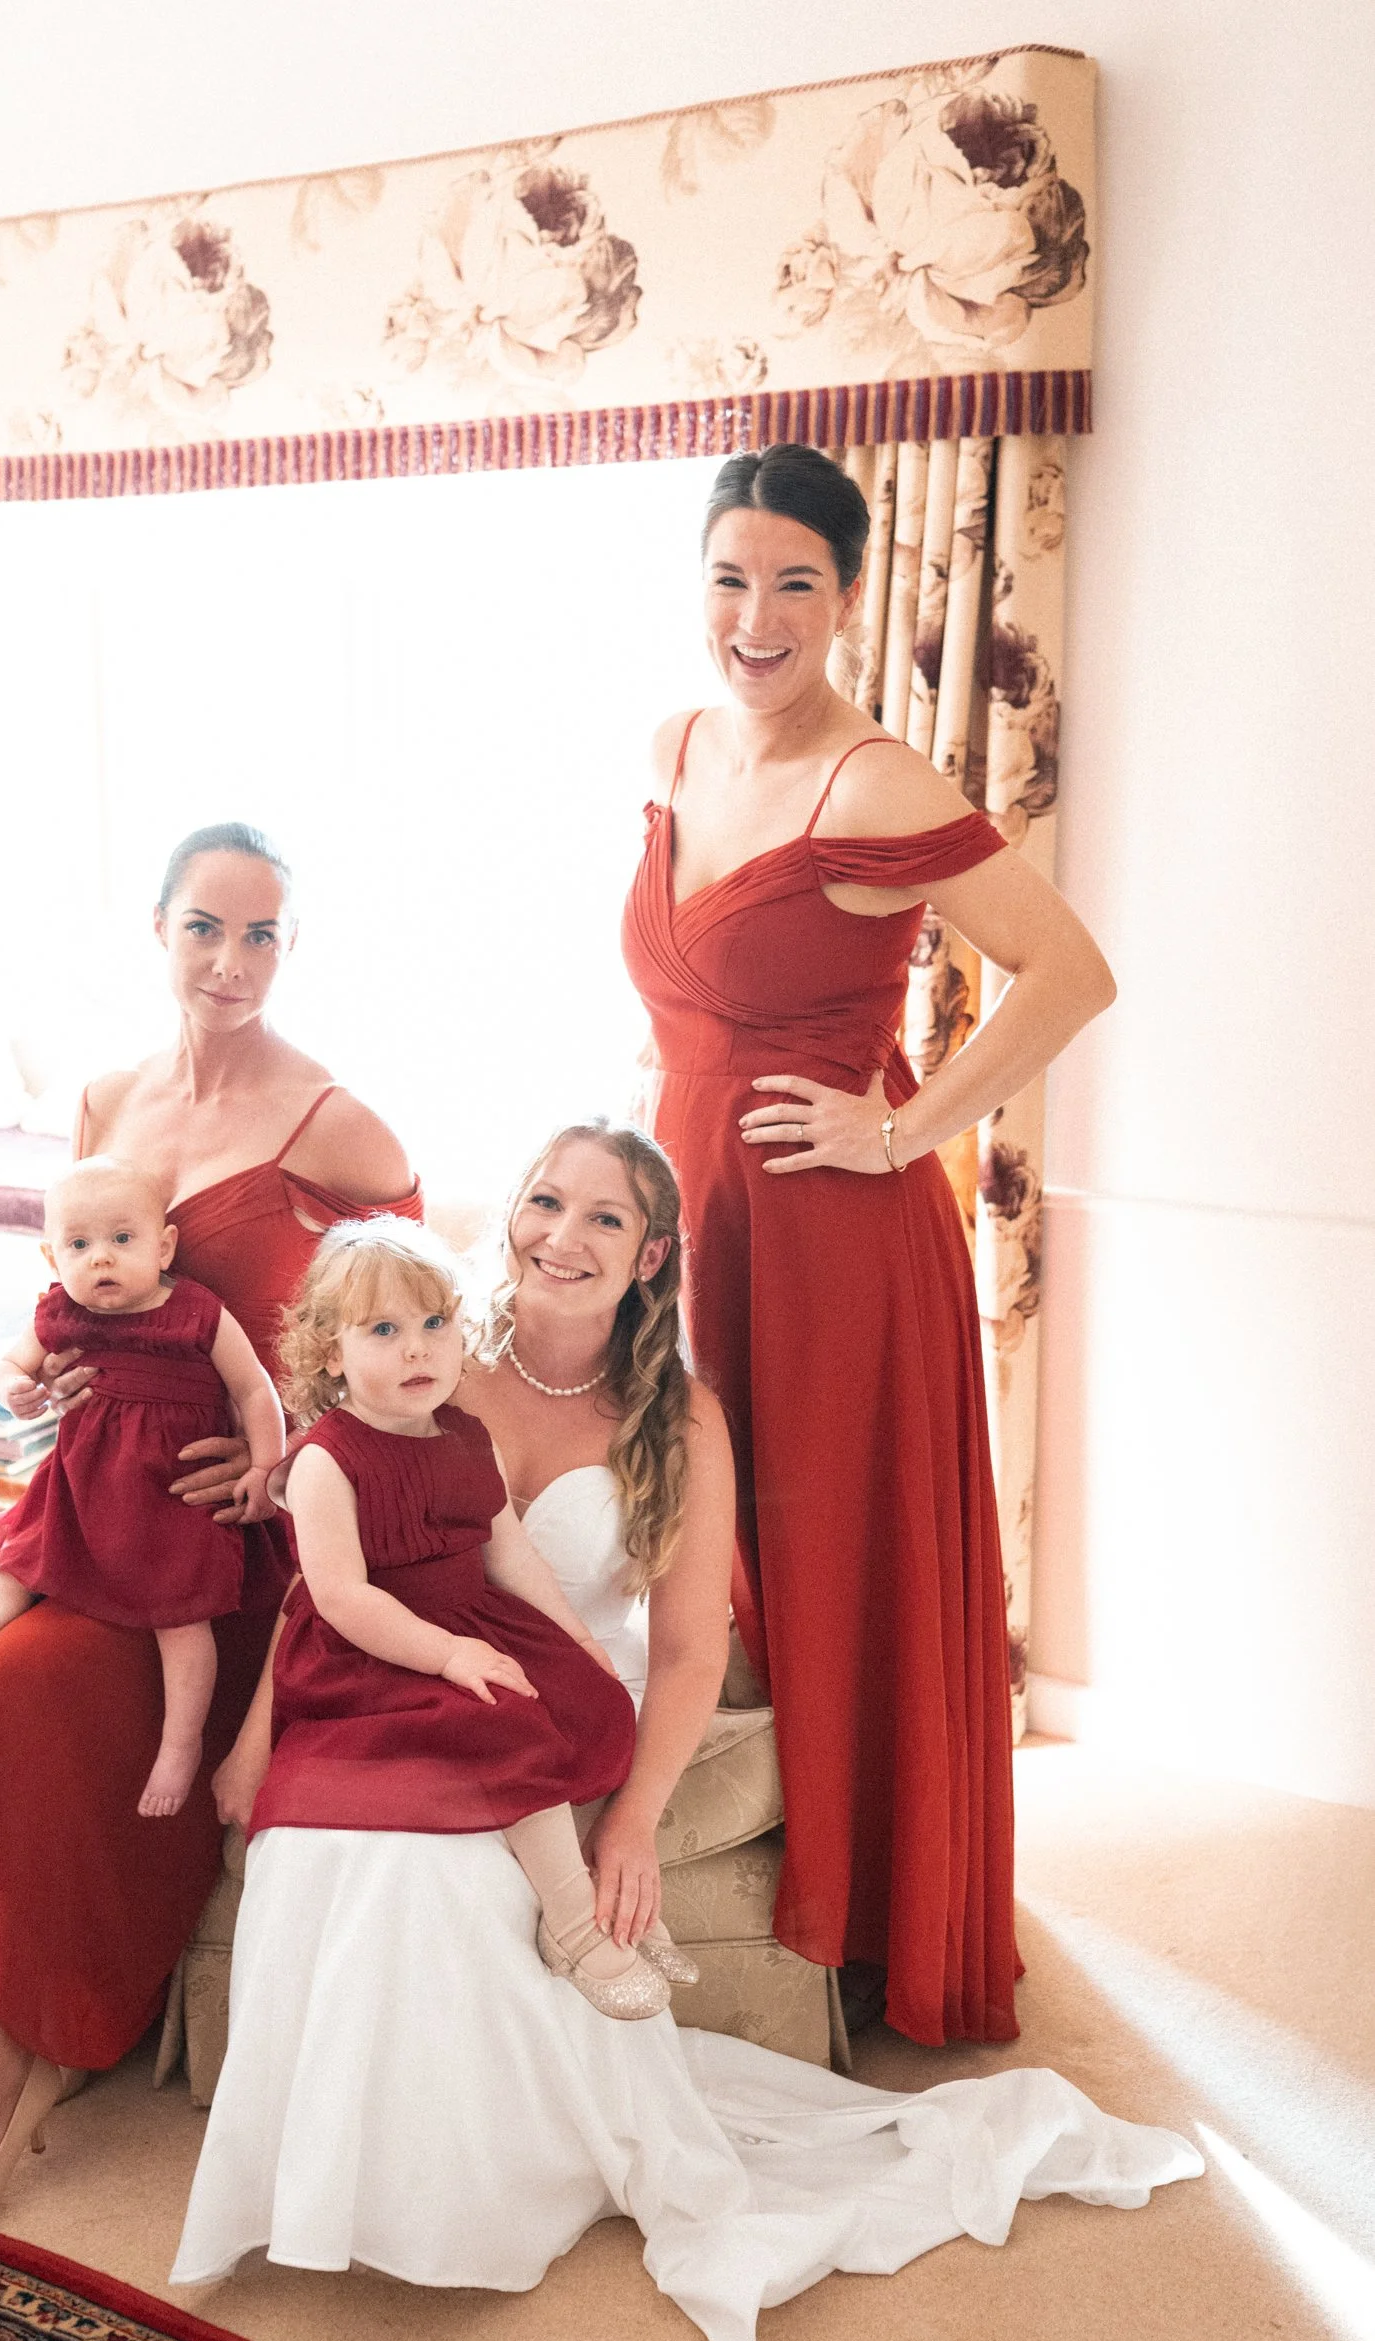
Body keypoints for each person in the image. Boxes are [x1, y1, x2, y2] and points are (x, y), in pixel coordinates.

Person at [172, 1123, 1198, 2341]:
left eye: (604, 1218)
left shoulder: (680, 1415)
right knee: (369, 1862)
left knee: (457, 1862)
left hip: (547, 1704)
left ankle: (481, 2182)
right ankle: (356, 2188)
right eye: (545, 1200)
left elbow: (684, 1655)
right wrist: (252, 1742)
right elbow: (324, 1585)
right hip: (392, 1692)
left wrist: (631, 1822)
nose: (563, 1234)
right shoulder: (426, 1364)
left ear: (652, 1254)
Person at [621, 443, 1119, 2048]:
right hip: (685, 1202)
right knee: (703, 1542)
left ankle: (856, 1918)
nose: (751, 616)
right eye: (725, 577)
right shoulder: (674, 742)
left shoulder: (877, 779)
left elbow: (1067, 971)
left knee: (823, 1548)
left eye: (791, 584)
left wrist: (902, 1129)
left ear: (844, 597)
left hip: (833, 1234)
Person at [0, 821, 419, 2255]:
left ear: (289, 950)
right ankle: (27, 1997)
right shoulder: (106, 1098)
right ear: (158, 930)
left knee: (44, 1694)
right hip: (96, 1504)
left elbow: (411, 1320)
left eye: (260, 936)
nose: (230, 962)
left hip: (227, 1546)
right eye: (204, 929)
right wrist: (29, 1374)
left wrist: (285, 1432)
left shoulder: (334, 1122)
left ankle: (1, 2080)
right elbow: (71, 1293)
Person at [256, 1214, 666, 2017]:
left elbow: (507, 1554)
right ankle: (574, 1925)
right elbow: (340, 1597)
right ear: (330, 1353)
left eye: (435, 1324)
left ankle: (613, 1900)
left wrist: (578, 1639)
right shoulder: (324, 1462)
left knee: (588, 1702)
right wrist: (446, 1656)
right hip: (372, 1655)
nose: (417, 1348)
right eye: (383, 1329)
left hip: (468, 1621)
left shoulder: (465, 1435)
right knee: (502, 1716)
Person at [0, 1158, 287, 1820]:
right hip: (80, 1488)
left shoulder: (196, 1313)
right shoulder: (59, 1313)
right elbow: (12, 1365)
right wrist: (16, 1390)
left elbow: (252, 1389)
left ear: (164, 1246)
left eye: (122, 1240)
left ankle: (178, 1749)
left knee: (181, 1619)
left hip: (172, 1497)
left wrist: (266, 1468)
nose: (102, 1260)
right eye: (80, 1245)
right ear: (51, 1255)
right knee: (15, 1568)